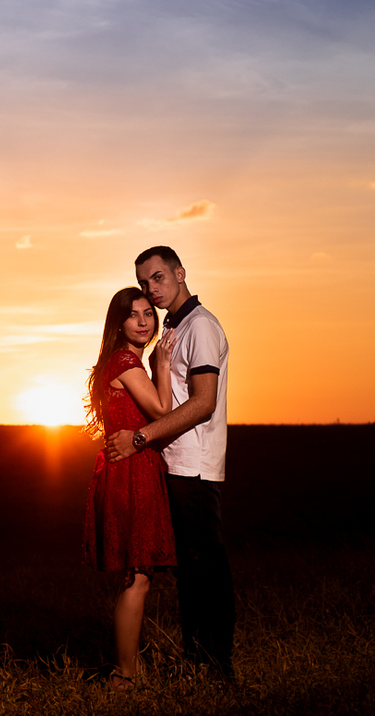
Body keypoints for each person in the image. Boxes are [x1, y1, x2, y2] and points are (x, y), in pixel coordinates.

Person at [106, 246, 235, 680]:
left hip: (195, 465)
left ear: (180, 274)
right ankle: (196, 663)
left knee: (207, 573)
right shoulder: (171, 331)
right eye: (144, 283)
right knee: (189, 576)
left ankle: (216, 670)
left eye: (158, 278)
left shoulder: (200, 326)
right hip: (171, 466)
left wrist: (140, 438)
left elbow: (201, 404)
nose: (152, 289)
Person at [82, 286, 178, 692]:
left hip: (129, 469)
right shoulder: (125, 360)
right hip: (131, 473)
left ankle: (128, 669)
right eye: (134, 315)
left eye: (147, 314)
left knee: (137, 576)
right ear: (118, 324)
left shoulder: (116, 360)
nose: (144, 322)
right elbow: (162, 411)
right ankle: (124, 676)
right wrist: (165, 363)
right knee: (138, 577)